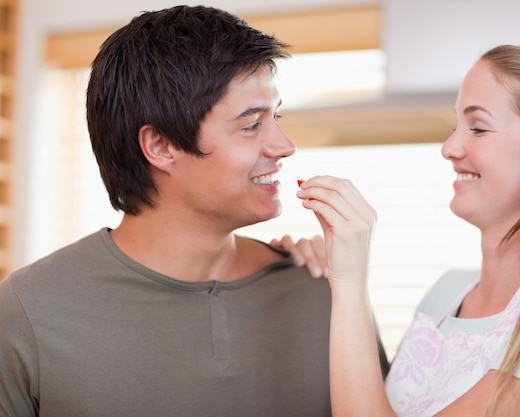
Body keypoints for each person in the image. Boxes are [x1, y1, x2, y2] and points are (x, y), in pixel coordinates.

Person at [0, 5, 389, 417]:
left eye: (275, 116)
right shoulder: (27, 311)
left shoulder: (325, 291)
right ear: (161, 146)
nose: (284, 145)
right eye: (251, 124)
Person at [279, 39, 520, 416]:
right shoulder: (445, 296)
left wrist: (349, 282)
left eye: (478, 128)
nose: (449, 147)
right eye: (457, 124)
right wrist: (330, 271)